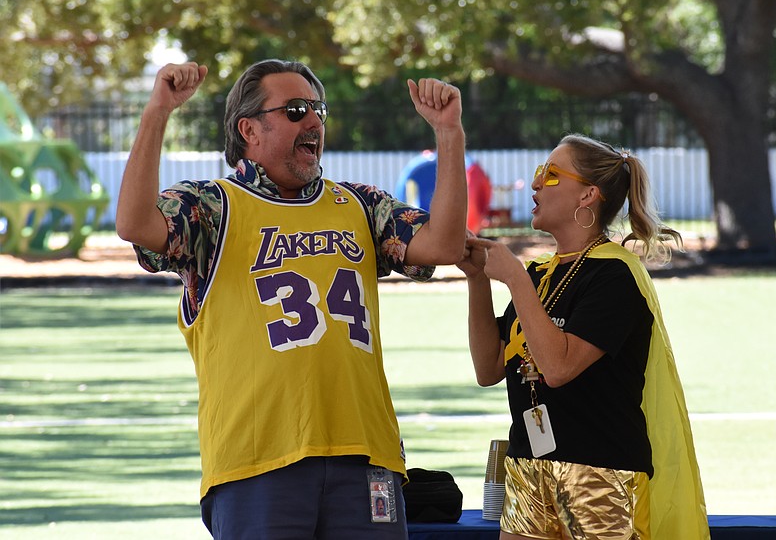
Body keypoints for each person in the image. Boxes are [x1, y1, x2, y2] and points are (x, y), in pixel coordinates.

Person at [116, 59, 467, 539]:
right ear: (249, 130)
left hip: (367, 456)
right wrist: (157, 112)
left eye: (318, 109)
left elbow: (443, 246)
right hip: (256, 461)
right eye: (297, 110)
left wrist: (449, 134)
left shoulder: (360, 204)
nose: (314, 121)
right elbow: (136, 225)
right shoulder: (212, 206)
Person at [457, 134, 709, 539]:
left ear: (587, 195)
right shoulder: (540, 274)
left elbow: (558, 367)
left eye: (550, 174)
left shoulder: (613, 274)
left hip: (601, 472)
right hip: (528, 464)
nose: (536, 183)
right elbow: (488, 368)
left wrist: (515, 280)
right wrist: (477, 280)